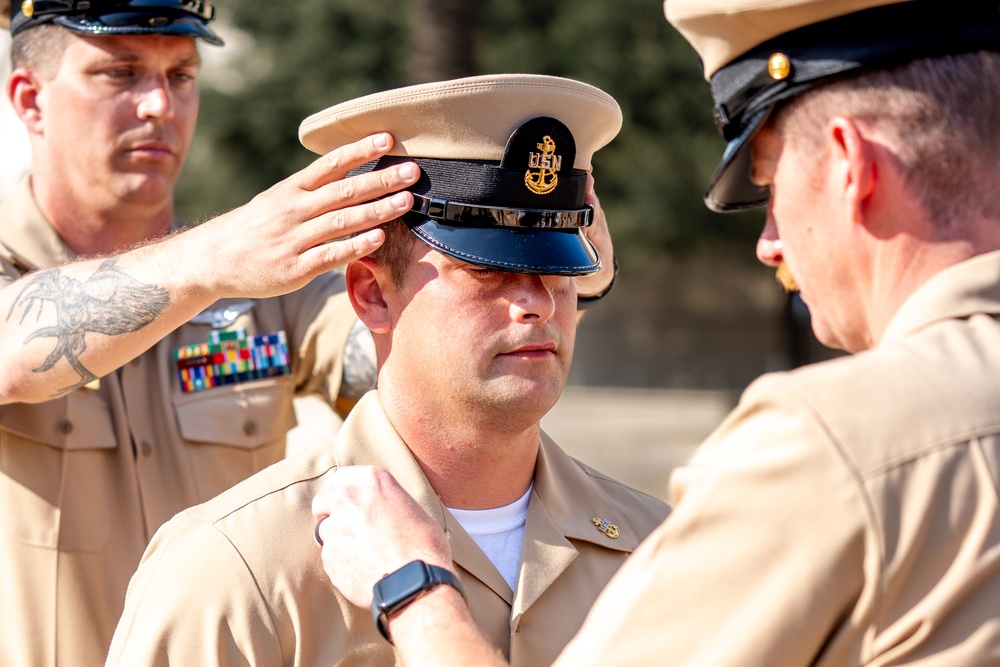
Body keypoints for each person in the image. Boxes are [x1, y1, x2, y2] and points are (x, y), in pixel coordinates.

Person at [311, 1, 1000, 665]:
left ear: (850, 165)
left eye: (766, 185)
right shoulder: (240, 561)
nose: (769, 242)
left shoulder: (834, 443)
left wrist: (415, 589)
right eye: (487, 270)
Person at [104, 73, 669, 667]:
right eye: (485, 269)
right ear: (372, 294)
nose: (537, 302)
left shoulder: (660, 553)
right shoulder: (235, 571)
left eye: (558, 268)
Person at [0, 1, 426, 665]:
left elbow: (413, 364)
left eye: (182, 75)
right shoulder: (228, 262)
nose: (159, 106)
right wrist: (213, 260)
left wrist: (523, 250)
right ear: (29, 100)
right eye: (120, 73)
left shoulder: (258, 284)